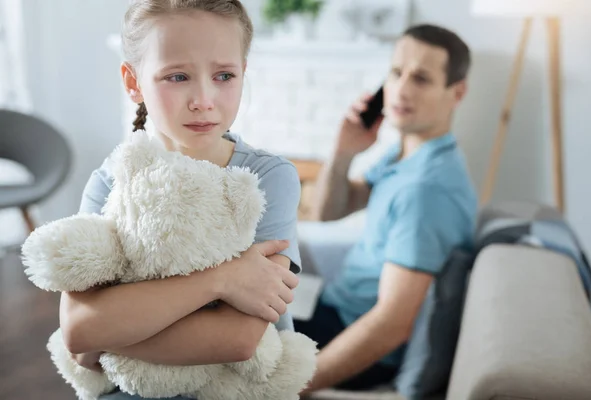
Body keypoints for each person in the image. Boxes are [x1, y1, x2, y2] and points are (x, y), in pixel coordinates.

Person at [63, 1, 302, 399]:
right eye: (177, 76)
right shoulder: (108, 183)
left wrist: (111, 333)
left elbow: (240, 340)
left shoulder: (268, 178)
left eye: (224, 75)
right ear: (133, 81)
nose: (204, 99)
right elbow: (79, 334)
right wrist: (222, 279)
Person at [296, 24, 478, 395]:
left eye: (422, 79)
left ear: (456, 92)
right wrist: (344, 150)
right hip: (330, 306)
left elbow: (392, 324)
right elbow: (327, 211)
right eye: (397, 73)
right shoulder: (410, 156)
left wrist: (293, 385)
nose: (402, 90)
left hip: (347, 336)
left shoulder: (426, 190)